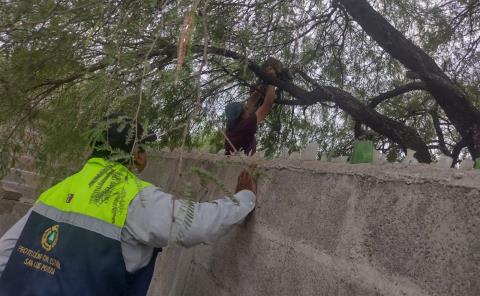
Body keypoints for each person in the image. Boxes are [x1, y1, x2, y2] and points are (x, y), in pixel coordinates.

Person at [0, 114, 257, 296]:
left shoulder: (57, 190)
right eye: (142, 146)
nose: (145, 153)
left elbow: (5, 252)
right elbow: (195, 224)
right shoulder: (133, 197)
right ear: (133, 153)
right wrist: (243, 198)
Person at [224, 58, 283, 155]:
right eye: (245, 109)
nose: (247, 107)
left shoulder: (233, 123)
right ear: (242, 116)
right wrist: (272, 80)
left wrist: (264, 83)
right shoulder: (245, 126)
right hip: (242, 164)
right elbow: (266, 106)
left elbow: (251, 102)